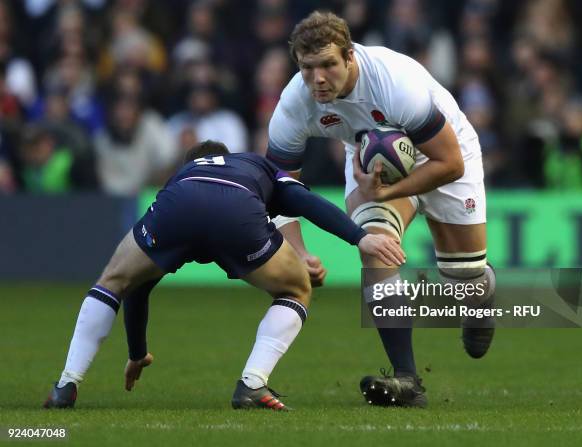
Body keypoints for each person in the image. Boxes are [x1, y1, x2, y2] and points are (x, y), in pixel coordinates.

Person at [43, 140, 405, 411]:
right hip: (236, 210)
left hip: (176, 205)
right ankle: (252, 384)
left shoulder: (182, 174)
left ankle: (66, 384)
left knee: (113, 281)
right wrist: (360, 237)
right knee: (297, 289)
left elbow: (136, 288)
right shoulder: (254, 165)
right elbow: (308, 203)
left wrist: (137, 352)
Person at [266, 11, 497, 408]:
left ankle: (480, 296)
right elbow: (278, 186)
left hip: (444, 152)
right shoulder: (294, 103)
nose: (317, 78)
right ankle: (408, 379)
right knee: (375, 248)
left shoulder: (394, 83)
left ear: (350, 56)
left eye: (328, 65)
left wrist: (385, 194)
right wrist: (298, 252)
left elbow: (450, 164)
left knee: (464, 276)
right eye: (307, 68)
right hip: (371, 162)